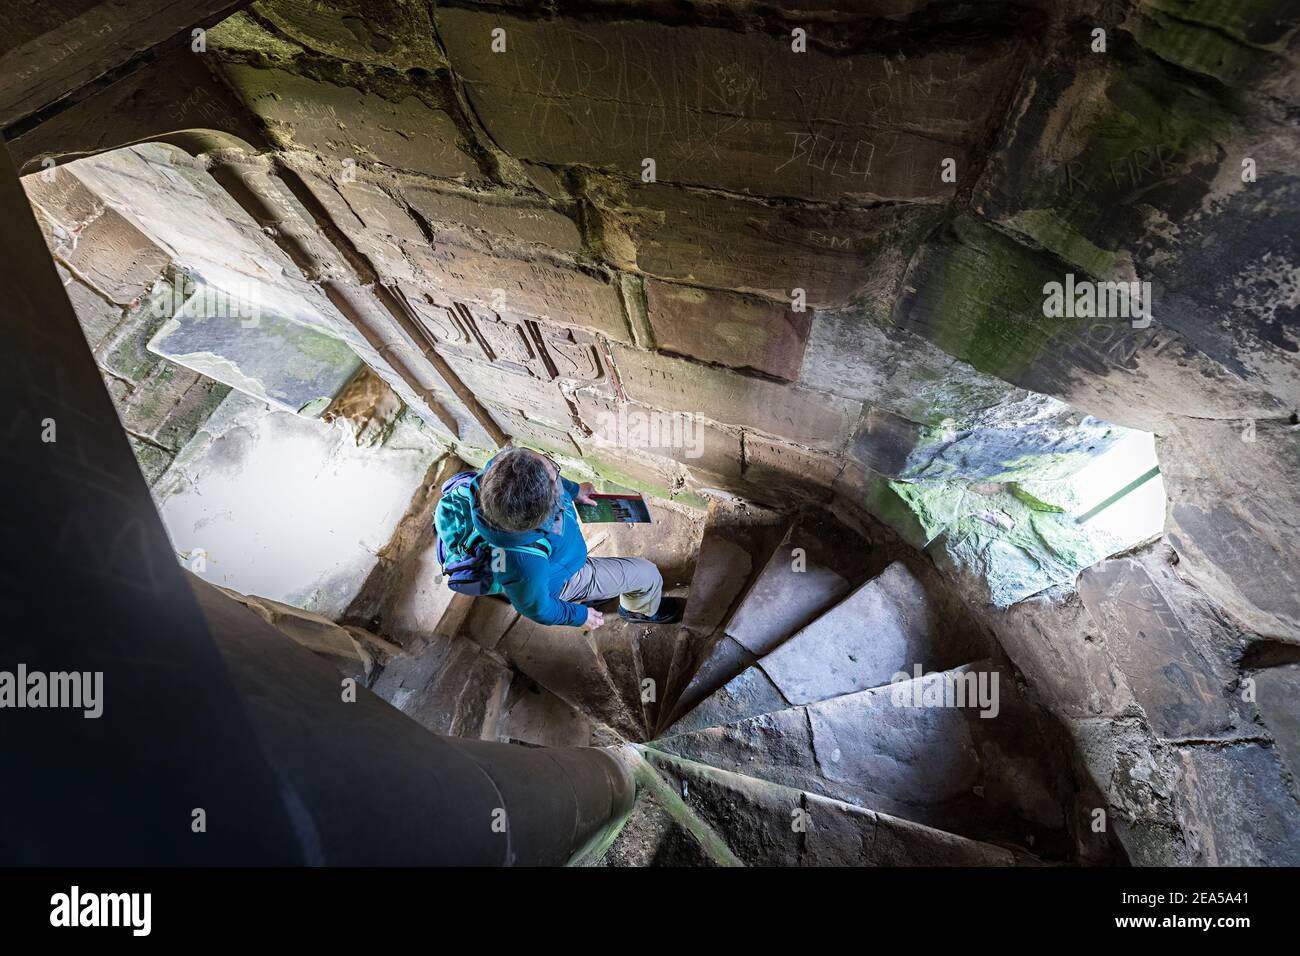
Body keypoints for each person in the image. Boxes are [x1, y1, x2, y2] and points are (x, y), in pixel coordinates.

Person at [471, 447, 684, 629]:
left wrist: (574, 491)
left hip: (561, 560)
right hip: (565, 579)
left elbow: (543, 474)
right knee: (648, 576)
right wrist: (579, 616)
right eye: (556, 478)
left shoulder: (507, 467)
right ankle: (640, 611)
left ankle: (597, 593)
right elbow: (537, 609)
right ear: (546, 510)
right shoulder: (524, 567)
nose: (556, 472)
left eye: (549, 464)